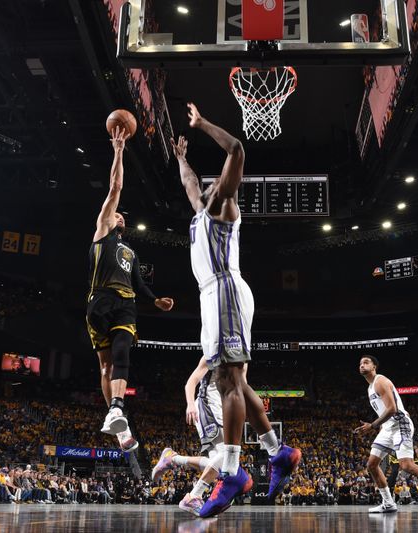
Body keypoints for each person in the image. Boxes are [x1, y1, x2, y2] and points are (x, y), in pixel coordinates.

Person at [171, 103, 301, 518]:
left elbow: (238, 150)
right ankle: (277, 453)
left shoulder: (224, 207)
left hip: (226, 288)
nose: (204, 187)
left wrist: (203, 123)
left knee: (227, 379)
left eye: (211, 185)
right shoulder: (200, 210)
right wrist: (182, 159)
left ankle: (230, 472)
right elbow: (190, 182)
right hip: (212, 296)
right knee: (238, 383)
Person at [87, 126, 175, 452]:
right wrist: (119, 150)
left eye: (123, 215)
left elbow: (139, 284)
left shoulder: (131, 253)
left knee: (123, 351)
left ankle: (117, 414)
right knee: (105, 365)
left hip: (126, 302)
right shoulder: (102, 233)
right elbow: (115, 187)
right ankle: (115, 414)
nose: (120, 215)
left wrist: (156, 300)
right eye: (117, 213)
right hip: (99, 299)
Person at [354, 355, 418, 513]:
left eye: (366, 362)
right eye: (360, 363)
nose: (362, 365)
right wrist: (380, 428)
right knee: (371, 465)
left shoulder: (380, 381)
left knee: (407, 465)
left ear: (374, 366)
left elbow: (392, 409)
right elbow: (385, 411)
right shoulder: (369, 389)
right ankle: (388, 503)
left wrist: (373, 425)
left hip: (400, 423)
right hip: (388, 427)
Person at [151, 356, 248, 516]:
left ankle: (172, 458)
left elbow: (241, 388)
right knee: (226, 454)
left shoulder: (243, 358)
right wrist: (190, 404)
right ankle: (194, 495)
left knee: (218, 465)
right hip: (207, 404)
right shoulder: (215, 351)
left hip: (223, 409)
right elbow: (191, 382)